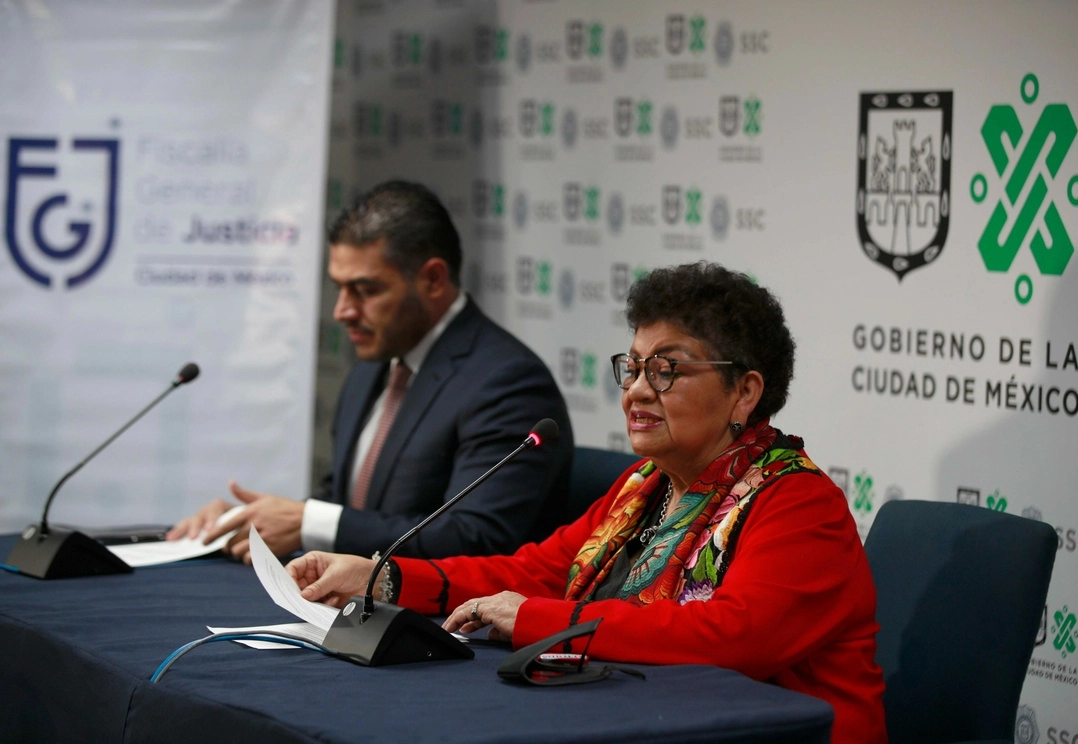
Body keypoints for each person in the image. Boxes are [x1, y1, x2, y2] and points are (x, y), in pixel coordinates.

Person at [286, 262, 886, 744]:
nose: (637, 391)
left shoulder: (800, 503)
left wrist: (535, 620)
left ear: (744, 392)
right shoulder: (644, 487)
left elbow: (732, 639)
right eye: (632, 368)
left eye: (667, 371)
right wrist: (385, 578)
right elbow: (533, 573)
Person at [168, 180, 573, 562]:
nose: (341, 311)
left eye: (365, 290)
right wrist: (249, 522)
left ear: (432, 279)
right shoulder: (378, 362)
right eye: (339, 287)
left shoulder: (507, 381)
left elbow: (474, 538)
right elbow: (346, 502)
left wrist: (308, 522)